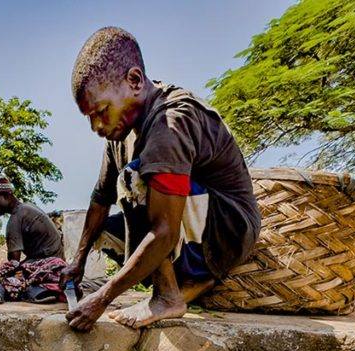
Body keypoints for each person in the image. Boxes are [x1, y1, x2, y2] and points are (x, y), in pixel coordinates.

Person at [63, 27, 261, 331]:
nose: (96, 126)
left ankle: (169, 296)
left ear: (135, 81)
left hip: (228, 228)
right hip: (190, 225)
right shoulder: (118, 134)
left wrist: (103, 298)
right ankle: (189, 284)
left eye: (101, 111)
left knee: (135, 179)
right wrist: (77, 261)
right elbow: (100, 199)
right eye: (89, 117)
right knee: (105, 228)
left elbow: (166, 231)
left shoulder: (171, 122)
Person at [0, 178, 67, 304]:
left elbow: (13, 263)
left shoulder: (16, 219)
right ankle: (41, 290)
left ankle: (33, 290)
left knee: (4, 275)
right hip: (59, 267)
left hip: (48, 268)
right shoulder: (27, 208)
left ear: (6, 195)